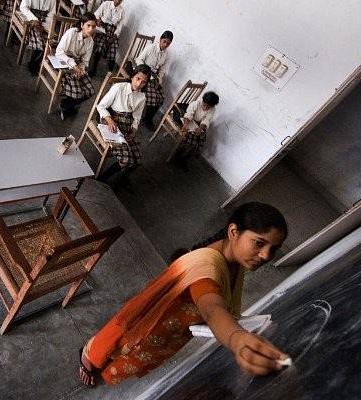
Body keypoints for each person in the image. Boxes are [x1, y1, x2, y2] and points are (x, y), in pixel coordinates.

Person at [78, 201, 290, 386]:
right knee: (115, 348)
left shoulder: (236, 262)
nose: (265, 255)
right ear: (234, 232)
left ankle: (100, 361)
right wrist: (237, 339)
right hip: (148, 327)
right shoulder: (207, 268)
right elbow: (212, 310)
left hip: (170, 330)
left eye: (274, 249)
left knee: (131, 357)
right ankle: (87, 358)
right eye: (259, 243)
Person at [95, 64, 152, 193]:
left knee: (137, 161)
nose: (139, 84)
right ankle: (102, 178)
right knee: (126, 160)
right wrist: (109, 121)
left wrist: (134, 131)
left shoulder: (141, 97)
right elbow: (101, 106)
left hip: (126, 126)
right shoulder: (118, 87)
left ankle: (124, 176)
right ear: (132, 77)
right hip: (112, 121)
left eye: (143, 82)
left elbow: (136, 118)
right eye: (138, 78)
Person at [55, 12, 97, 120]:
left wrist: (81, 70)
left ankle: (66, 104)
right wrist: (74, 65)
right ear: (82, 25)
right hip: (63, 60)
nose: (91, 29)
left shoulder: (90, 42)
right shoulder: (71, 32)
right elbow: (59, 52)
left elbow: (85, 62)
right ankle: (68, 105)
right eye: (88, 26)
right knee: (77, 90)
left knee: (90, 91)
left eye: (93, 27)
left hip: (77, 65)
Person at [132, 30, 173, 131]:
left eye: (168, 43)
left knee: (161, 97)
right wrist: (145, 73)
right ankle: (143, 117)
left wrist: (158, 81)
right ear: (160, 39)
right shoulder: (151, 48)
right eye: (164, 41)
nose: (165, 44)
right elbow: (139, 59)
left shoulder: (166, 54)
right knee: (153, 96)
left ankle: (147, 118)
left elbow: (162, 70)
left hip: (154, 76)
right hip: (143, 72)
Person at [172, 91, 220, 171]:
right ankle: (177, 156)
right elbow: (189, 114)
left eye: (208, 107)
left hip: (199, 126)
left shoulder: (212, 109)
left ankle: (184, 159)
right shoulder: (195, 104)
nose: (205, 108)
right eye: (204, 105)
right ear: (202, 100)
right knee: (189, 142)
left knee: (198, 146)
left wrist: (200, 128)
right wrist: (186, 124)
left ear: (212, 106)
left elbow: (206, 120)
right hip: (189, 122)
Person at [88, 0, 125, 77]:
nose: (118, 1)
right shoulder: (106, 4)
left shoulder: (122, 11)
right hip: (103, 29)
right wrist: (97, 20)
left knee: (113, 50)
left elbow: (119, 27)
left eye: (120, 0)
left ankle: (110, 74)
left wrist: (114, 37)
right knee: (100, 47)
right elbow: (96, 14)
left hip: (112, 33)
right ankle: (94, 69)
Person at [21, 0, 57, 76]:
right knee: (39, 41)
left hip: (43, 24)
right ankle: (31, 64)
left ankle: (36, 63)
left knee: (51, 43)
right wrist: (34, 19)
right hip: (30, 20)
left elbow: (51, 16)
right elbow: (23, 7)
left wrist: (43, 27)